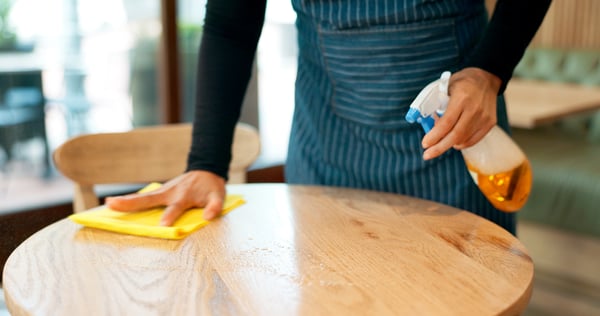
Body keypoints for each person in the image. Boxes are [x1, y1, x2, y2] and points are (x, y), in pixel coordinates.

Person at [106, 0, 552, 234]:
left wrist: (489, 71)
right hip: (327, 141)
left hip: (454, 133)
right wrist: (206, 163)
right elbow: (231, 24)